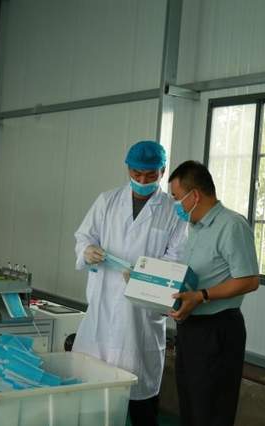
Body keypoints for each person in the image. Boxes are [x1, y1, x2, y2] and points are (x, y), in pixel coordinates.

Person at [73, 141, 186, 426]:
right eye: (137, 174)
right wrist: (87, 251)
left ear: (162, 171)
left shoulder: (173, 211)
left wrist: (145, 276)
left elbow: (176, 258)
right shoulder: (107, 201)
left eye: (150, 175)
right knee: (94, 397)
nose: (143, 181)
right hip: (103, 306)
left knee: (141, 401)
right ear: (128, 169)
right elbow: (84, 236)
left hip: (141, 314)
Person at [167, 160, 260, 426]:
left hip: (217, 330)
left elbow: (249, 280)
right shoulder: (195, 227)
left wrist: (202, 296)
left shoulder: (231, 225)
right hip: (191, 326)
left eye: (176, 197)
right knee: (191, 405)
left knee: (211, 410)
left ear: (194, 195)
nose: (175, 205)